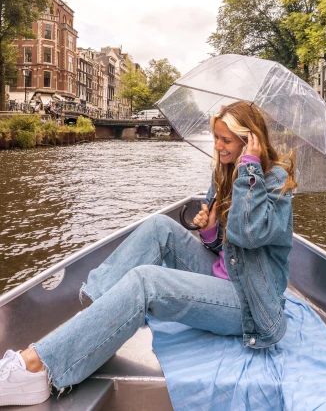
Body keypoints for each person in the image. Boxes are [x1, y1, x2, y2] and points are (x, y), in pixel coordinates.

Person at [0, 101, 296, 407]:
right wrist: (209, 231)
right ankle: (95, 320)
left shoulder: (274, 183)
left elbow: (249, 235)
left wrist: (249, 169)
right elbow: (227, 250)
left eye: (226, 140)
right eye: (216, 137)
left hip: (249, 302)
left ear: (250, 141)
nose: (217, 146)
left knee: (147, 282)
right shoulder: (226, 172)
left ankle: (36, 369)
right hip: (225, 275)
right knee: (158, 226)